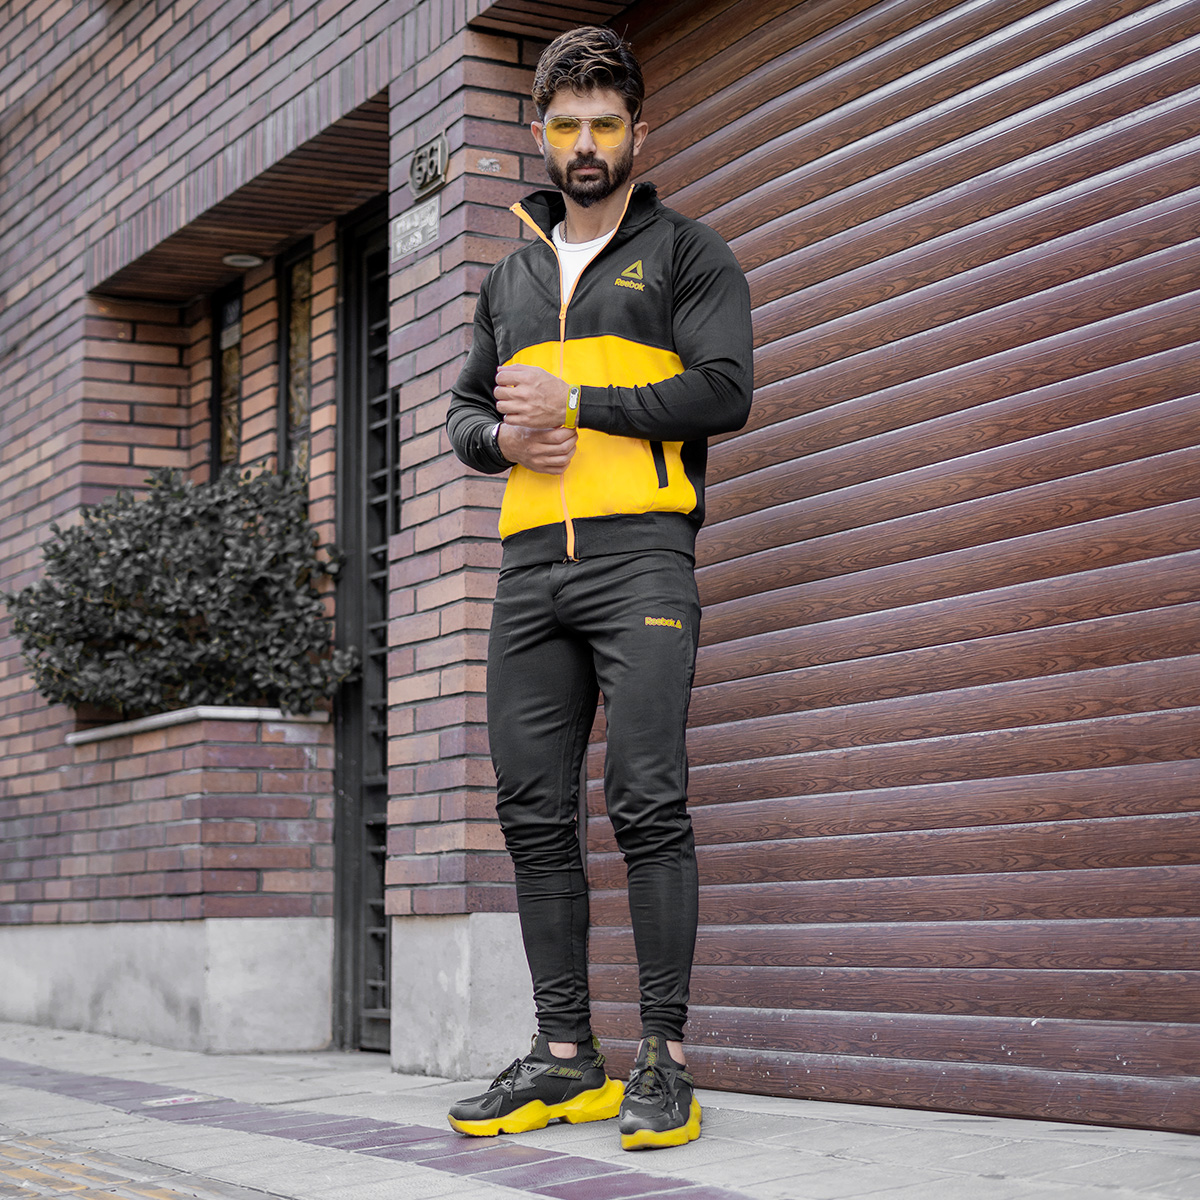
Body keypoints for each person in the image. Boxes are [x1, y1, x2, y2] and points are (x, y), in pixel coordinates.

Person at [444, 25, 753, 1151]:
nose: (585, 144)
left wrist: (580, 408)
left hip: (642, 558)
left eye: (605, 124)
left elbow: (725, 392)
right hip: (530, 569)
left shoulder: (688, 255)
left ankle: (664, 1057)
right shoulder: (511, 275)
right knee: (531, 812)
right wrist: (501, 441)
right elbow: (463, 413)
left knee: (646, 800)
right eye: (567, 125)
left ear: (638, 132)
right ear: (541, 133)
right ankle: (565, 1056)